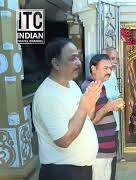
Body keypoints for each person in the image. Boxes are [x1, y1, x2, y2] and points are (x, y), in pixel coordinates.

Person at [32, 38, 101, 180]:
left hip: (80, 170)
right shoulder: (47, 95)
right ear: (56, 63)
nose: (79, 63)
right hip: (62, 172)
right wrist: (83, 107)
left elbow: (88, 118)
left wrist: (91, 102)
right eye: (72, 58)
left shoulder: (72, 85)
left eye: (78, 57)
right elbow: (64, 140)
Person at [81, 54, 124, 180]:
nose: (109, 71)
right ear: (93, 69)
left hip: (107, 145)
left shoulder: (101, 86)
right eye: (105, 68)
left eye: (110, 68)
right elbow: (89, 121)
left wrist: (111, 107)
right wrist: (107, 108)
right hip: (98, 147)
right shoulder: (88, 88)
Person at [102, 47, 121, 180]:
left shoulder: (112, 74)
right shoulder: (101, 76)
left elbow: (115, 94)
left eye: (116, 59)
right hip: (104, 122)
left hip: (114, 120)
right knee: (106, 159)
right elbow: (106, 97)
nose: (114, 62)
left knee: (113, 157)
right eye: (112, 58)